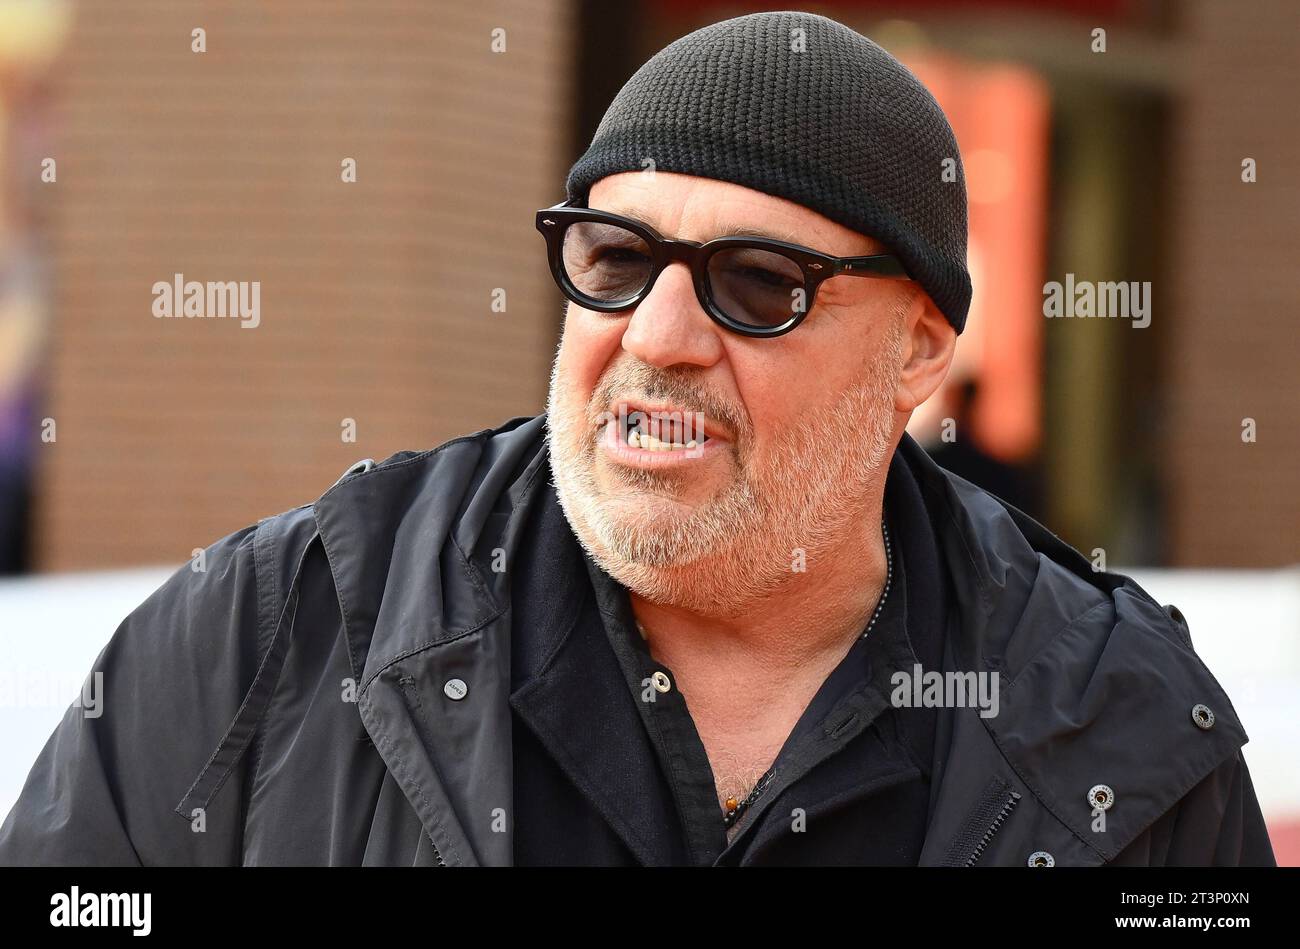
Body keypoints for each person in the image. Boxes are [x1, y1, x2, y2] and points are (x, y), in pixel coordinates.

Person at [0, 11, 1274, 866]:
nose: (656, 333)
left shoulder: (1126, 731)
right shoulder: (270, 633)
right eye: (614, 258)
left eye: (756, 281)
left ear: (921, 349)